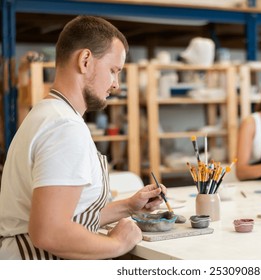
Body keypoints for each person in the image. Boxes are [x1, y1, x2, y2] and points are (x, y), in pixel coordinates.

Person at [0, 16, 166, 260]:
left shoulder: (50, 112)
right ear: (85, 60)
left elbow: (65, 215)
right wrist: (118, 244)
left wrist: (128, 206)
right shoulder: (65, 127)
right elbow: (50, 232)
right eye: (113, 70)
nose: (116, 84)